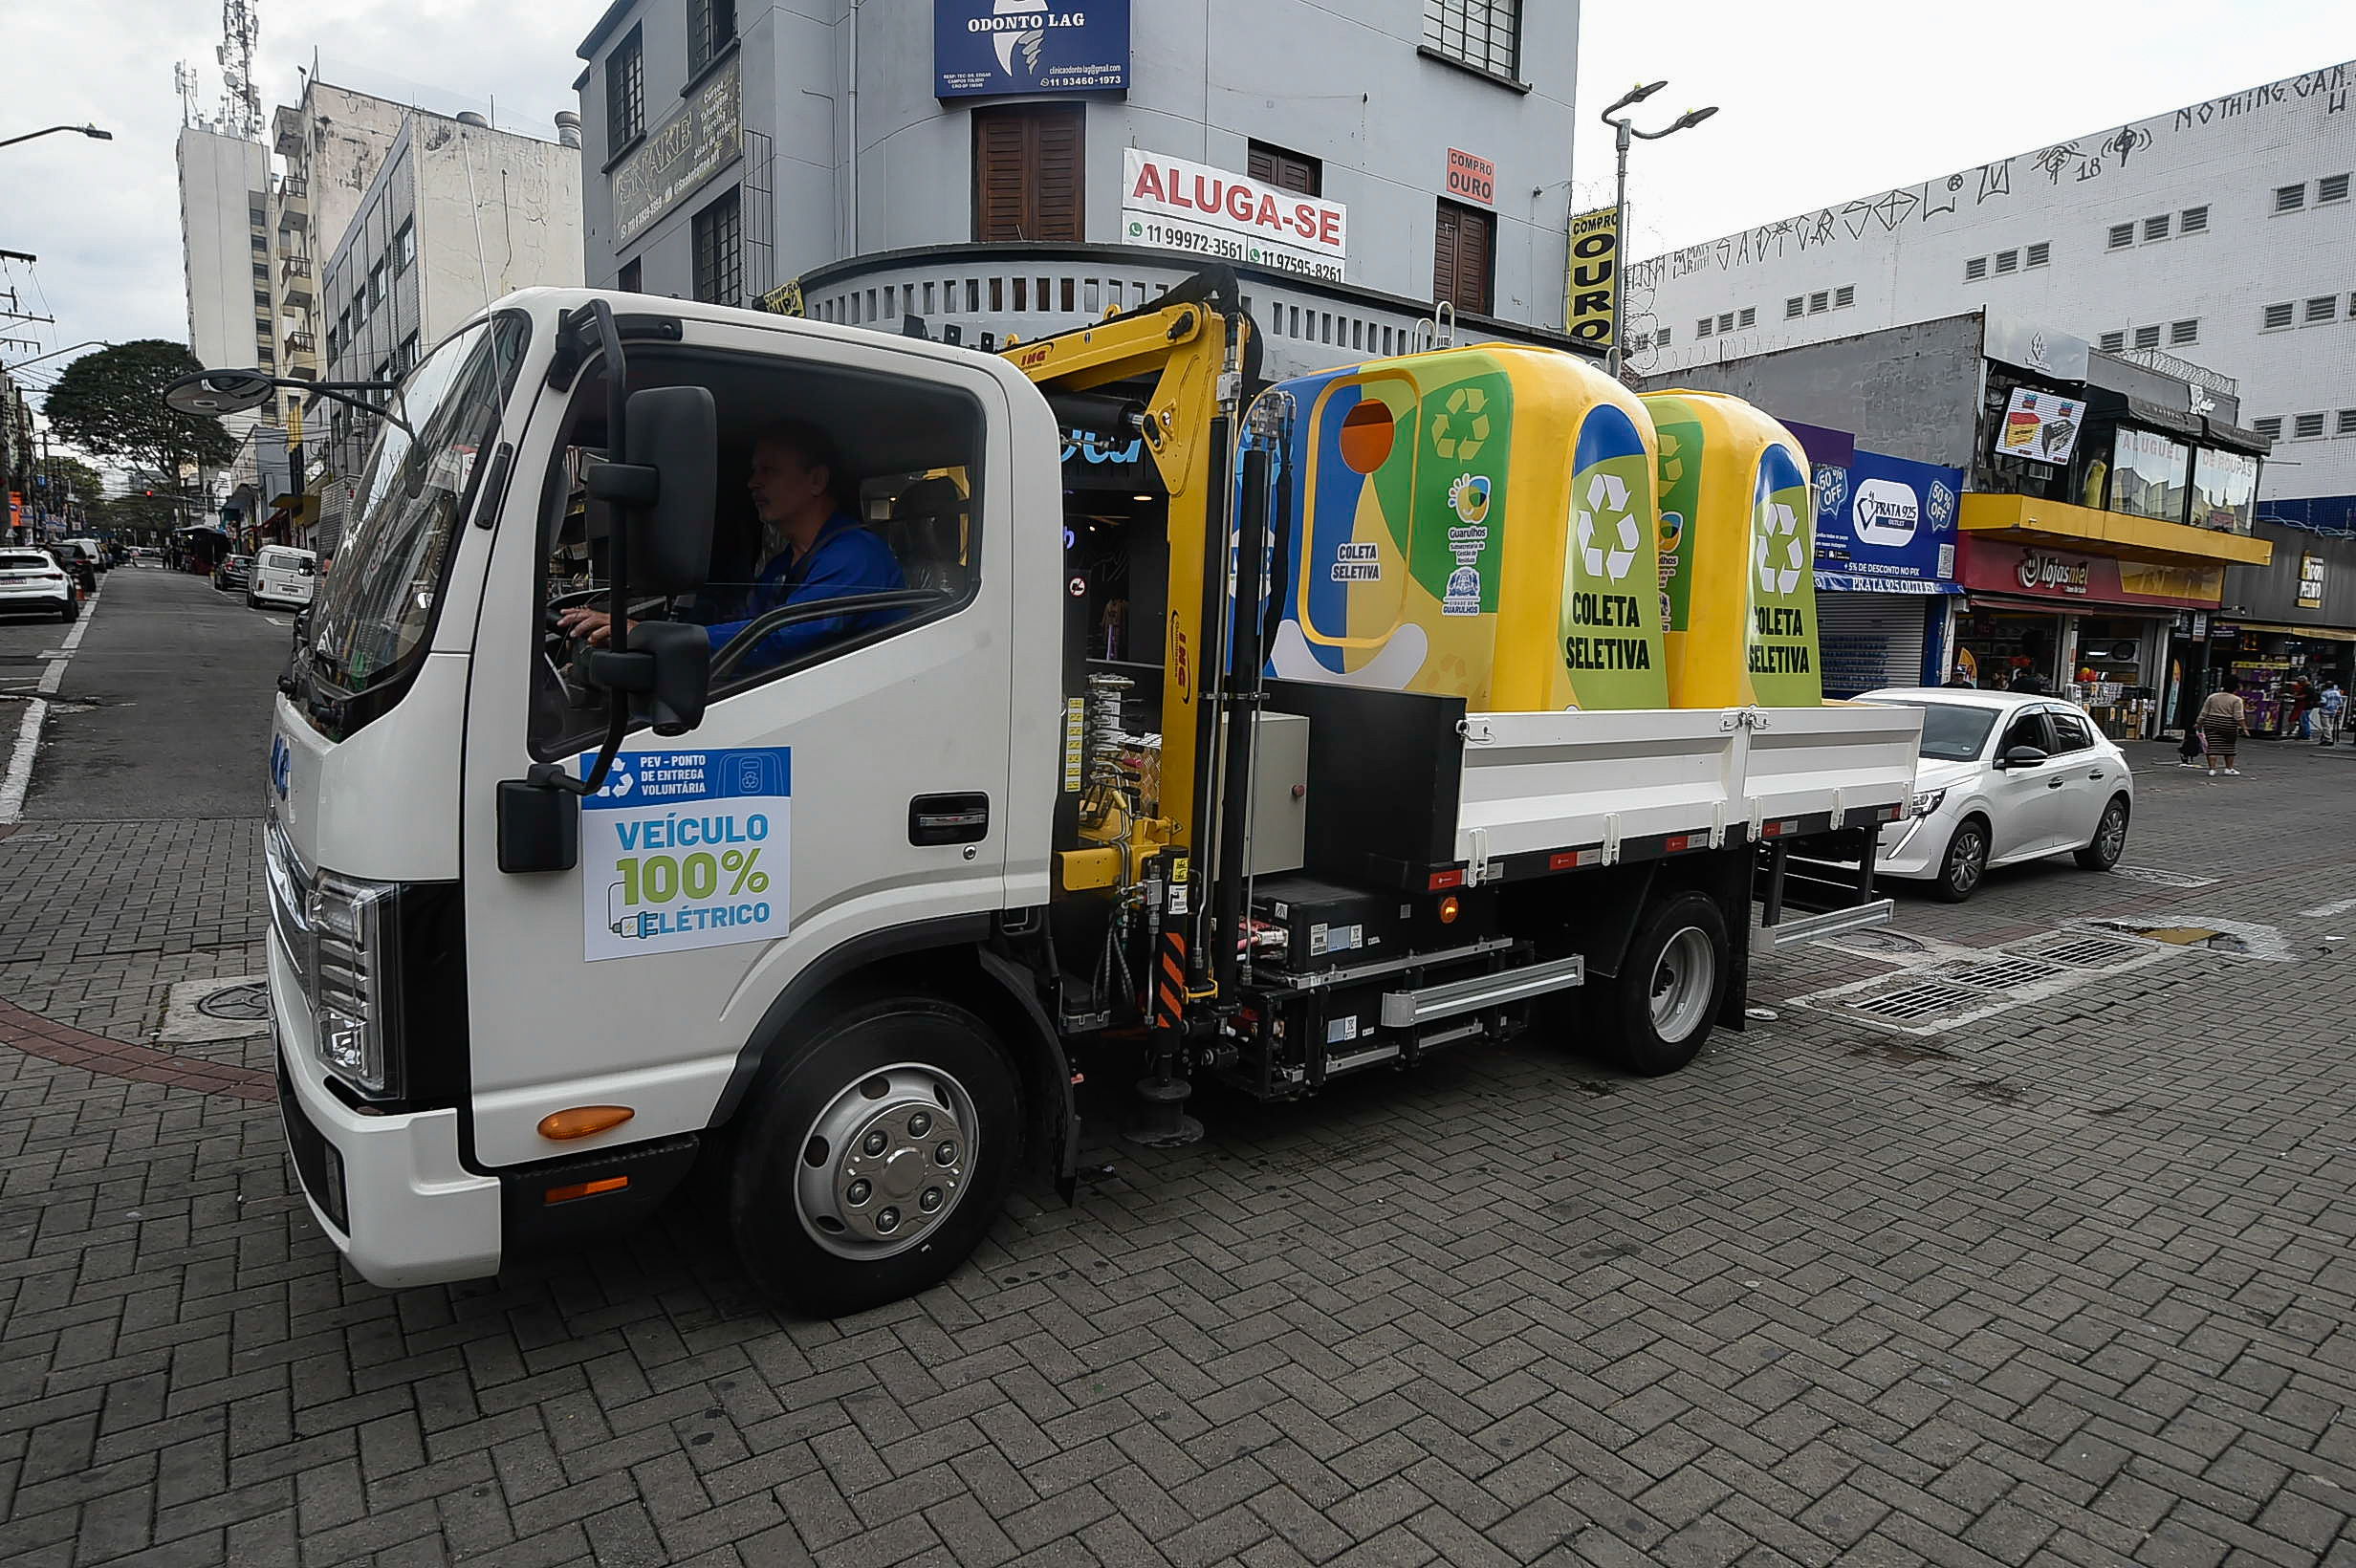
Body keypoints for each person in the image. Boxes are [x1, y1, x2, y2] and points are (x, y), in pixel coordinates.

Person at [559, 421, 905, 677]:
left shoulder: (856, 557)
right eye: (754, 470)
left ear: (816, 480)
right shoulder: (786, 563)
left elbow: (779, 639)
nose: (753, 482)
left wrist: (651, 636)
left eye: (769, 471)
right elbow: (743, 621)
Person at [2197, 675, 2249, 777]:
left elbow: (2204, 712)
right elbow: (2238, 716)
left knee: (2212, 746)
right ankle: (2229, 768)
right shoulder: (2236, 700)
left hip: (2211, 723)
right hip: (2228, 724)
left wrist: (2198, 723)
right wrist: (2245, 728)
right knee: (2229, 747)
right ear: (2236, 687)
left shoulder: (2212, 697)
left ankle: (2212, 769)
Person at [2319, 680, 2345, 747]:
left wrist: (2318, 703)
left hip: (2325, 711)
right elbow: (2340, 702)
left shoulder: (2324, 693)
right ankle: (2327, 738)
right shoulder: (2337, 693)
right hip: (2333, 711)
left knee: (2325, 726)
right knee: (2330, 725)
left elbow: (2323, 702)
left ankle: (2328, 739)